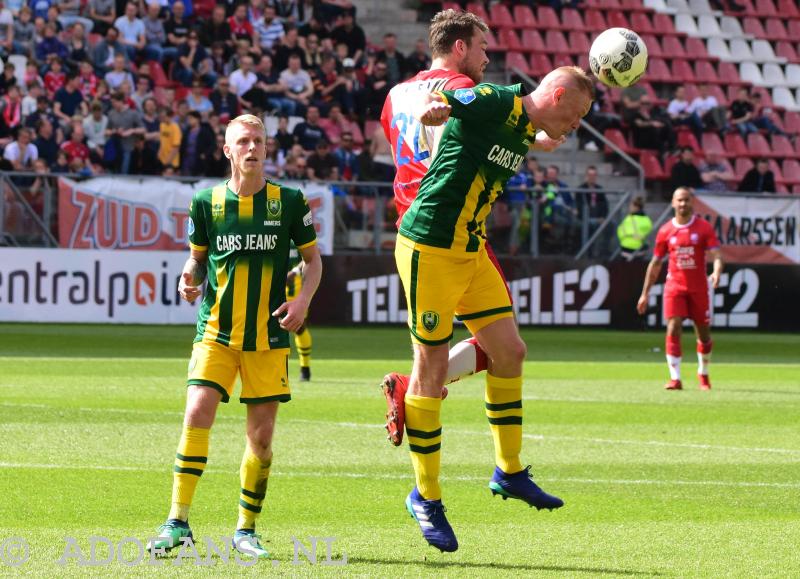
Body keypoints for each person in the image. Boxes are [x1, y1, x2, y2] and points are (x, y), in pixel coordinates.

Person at [395, 65, 592, 552]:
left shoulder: (524, 125)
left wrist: (543, 140)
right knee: (431, 367)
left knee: (509, 351)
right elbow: (456, 104)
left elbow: (522, 134)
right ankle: (426, 496)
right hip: (430, 247)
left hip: (470, 250)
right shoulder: (497, 100)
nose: (577, 125)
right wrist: (439, 109)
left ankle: (508, 471)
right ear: (558, 93)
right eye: (577, 114)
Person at [378, 9, 565, 449]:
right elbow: (476, 131)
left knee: (490, 341)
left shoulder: (394, 95)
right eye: (482, 47)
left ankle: (416, 385)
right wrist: (537, 135)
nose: (486, 57)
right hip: (451, 222)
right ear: (459, 47)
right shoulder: (461, 88)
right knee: (499, 343)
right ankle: (415, 390)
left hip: (411, 221)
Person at [146, 113, 322, 559]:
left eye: (258, 141)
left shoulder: (289, 201)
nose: (251, 148)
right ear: (227, 150)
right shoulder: (206, 203)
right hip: (216, 332)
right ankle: (177, 521)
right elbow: (197, 260)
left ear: (267, 148)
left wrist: (301, 303)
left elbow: (314, 261)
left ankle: (245, 530)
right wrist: (189, 276)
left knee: (260, 440)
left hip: (267, 337)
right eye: (242, 141)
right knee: (196, 414)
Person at [637, 187, 723, 390]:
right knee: (673, 326)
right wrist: (645, 293)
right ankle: (675, 378)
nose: (683, 204)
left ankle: (703, 373)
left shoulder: (703, 228)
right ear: (673, 203)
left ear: (691, 202)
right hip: (674, 286)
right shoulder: (666, 230)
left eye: (686, 200)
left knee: (703, 333)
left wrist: (717, 271)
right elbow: (656, 263)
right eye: (679, 200)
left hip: (698, 288)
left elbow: (717, 255)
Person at [285, 244, 312, 381]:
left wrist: (295, 271)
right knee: (272, 327)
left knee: (299, 326)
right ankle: (279, 369)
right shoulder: (271, 229)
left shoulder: (298, 230)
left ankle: (305, 368)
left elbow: (311, 256)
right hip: (272, 282)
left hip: (295, 286)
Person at [616, 196, 652, 261]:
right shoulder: (647, 220)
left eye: (631, 206)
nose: (630, 208)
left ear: (636, 207)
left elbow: (620, 231)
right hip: (641, 249)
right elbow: (647, 234)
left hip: (626, 248)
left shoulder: (628, 219)